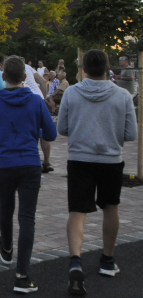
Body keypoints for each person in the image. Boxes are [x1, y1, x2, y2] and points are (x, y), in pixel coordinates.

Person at [58, 49, 138, 295]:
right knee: (110, 207)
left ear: (83, 69)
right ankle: (107, 260)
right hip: (110, 160)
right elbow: (131, 134)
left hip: (80, 158)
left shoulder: (71, 92)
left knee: (77, 211)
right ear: (108, 69)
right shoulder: (122, 95)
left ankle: (74, 260)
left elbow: (62, 128)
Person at [0, 56, 57, 294]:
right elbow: (51, 134)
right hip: (29, 163)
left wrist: (1, 143)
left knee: (5, 207)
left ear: (3, 77)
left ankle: (7, 249)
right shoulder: (35, 101)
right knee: (27, 218)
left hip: (3, 163)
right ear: (24, 77)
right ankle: (22, 275)